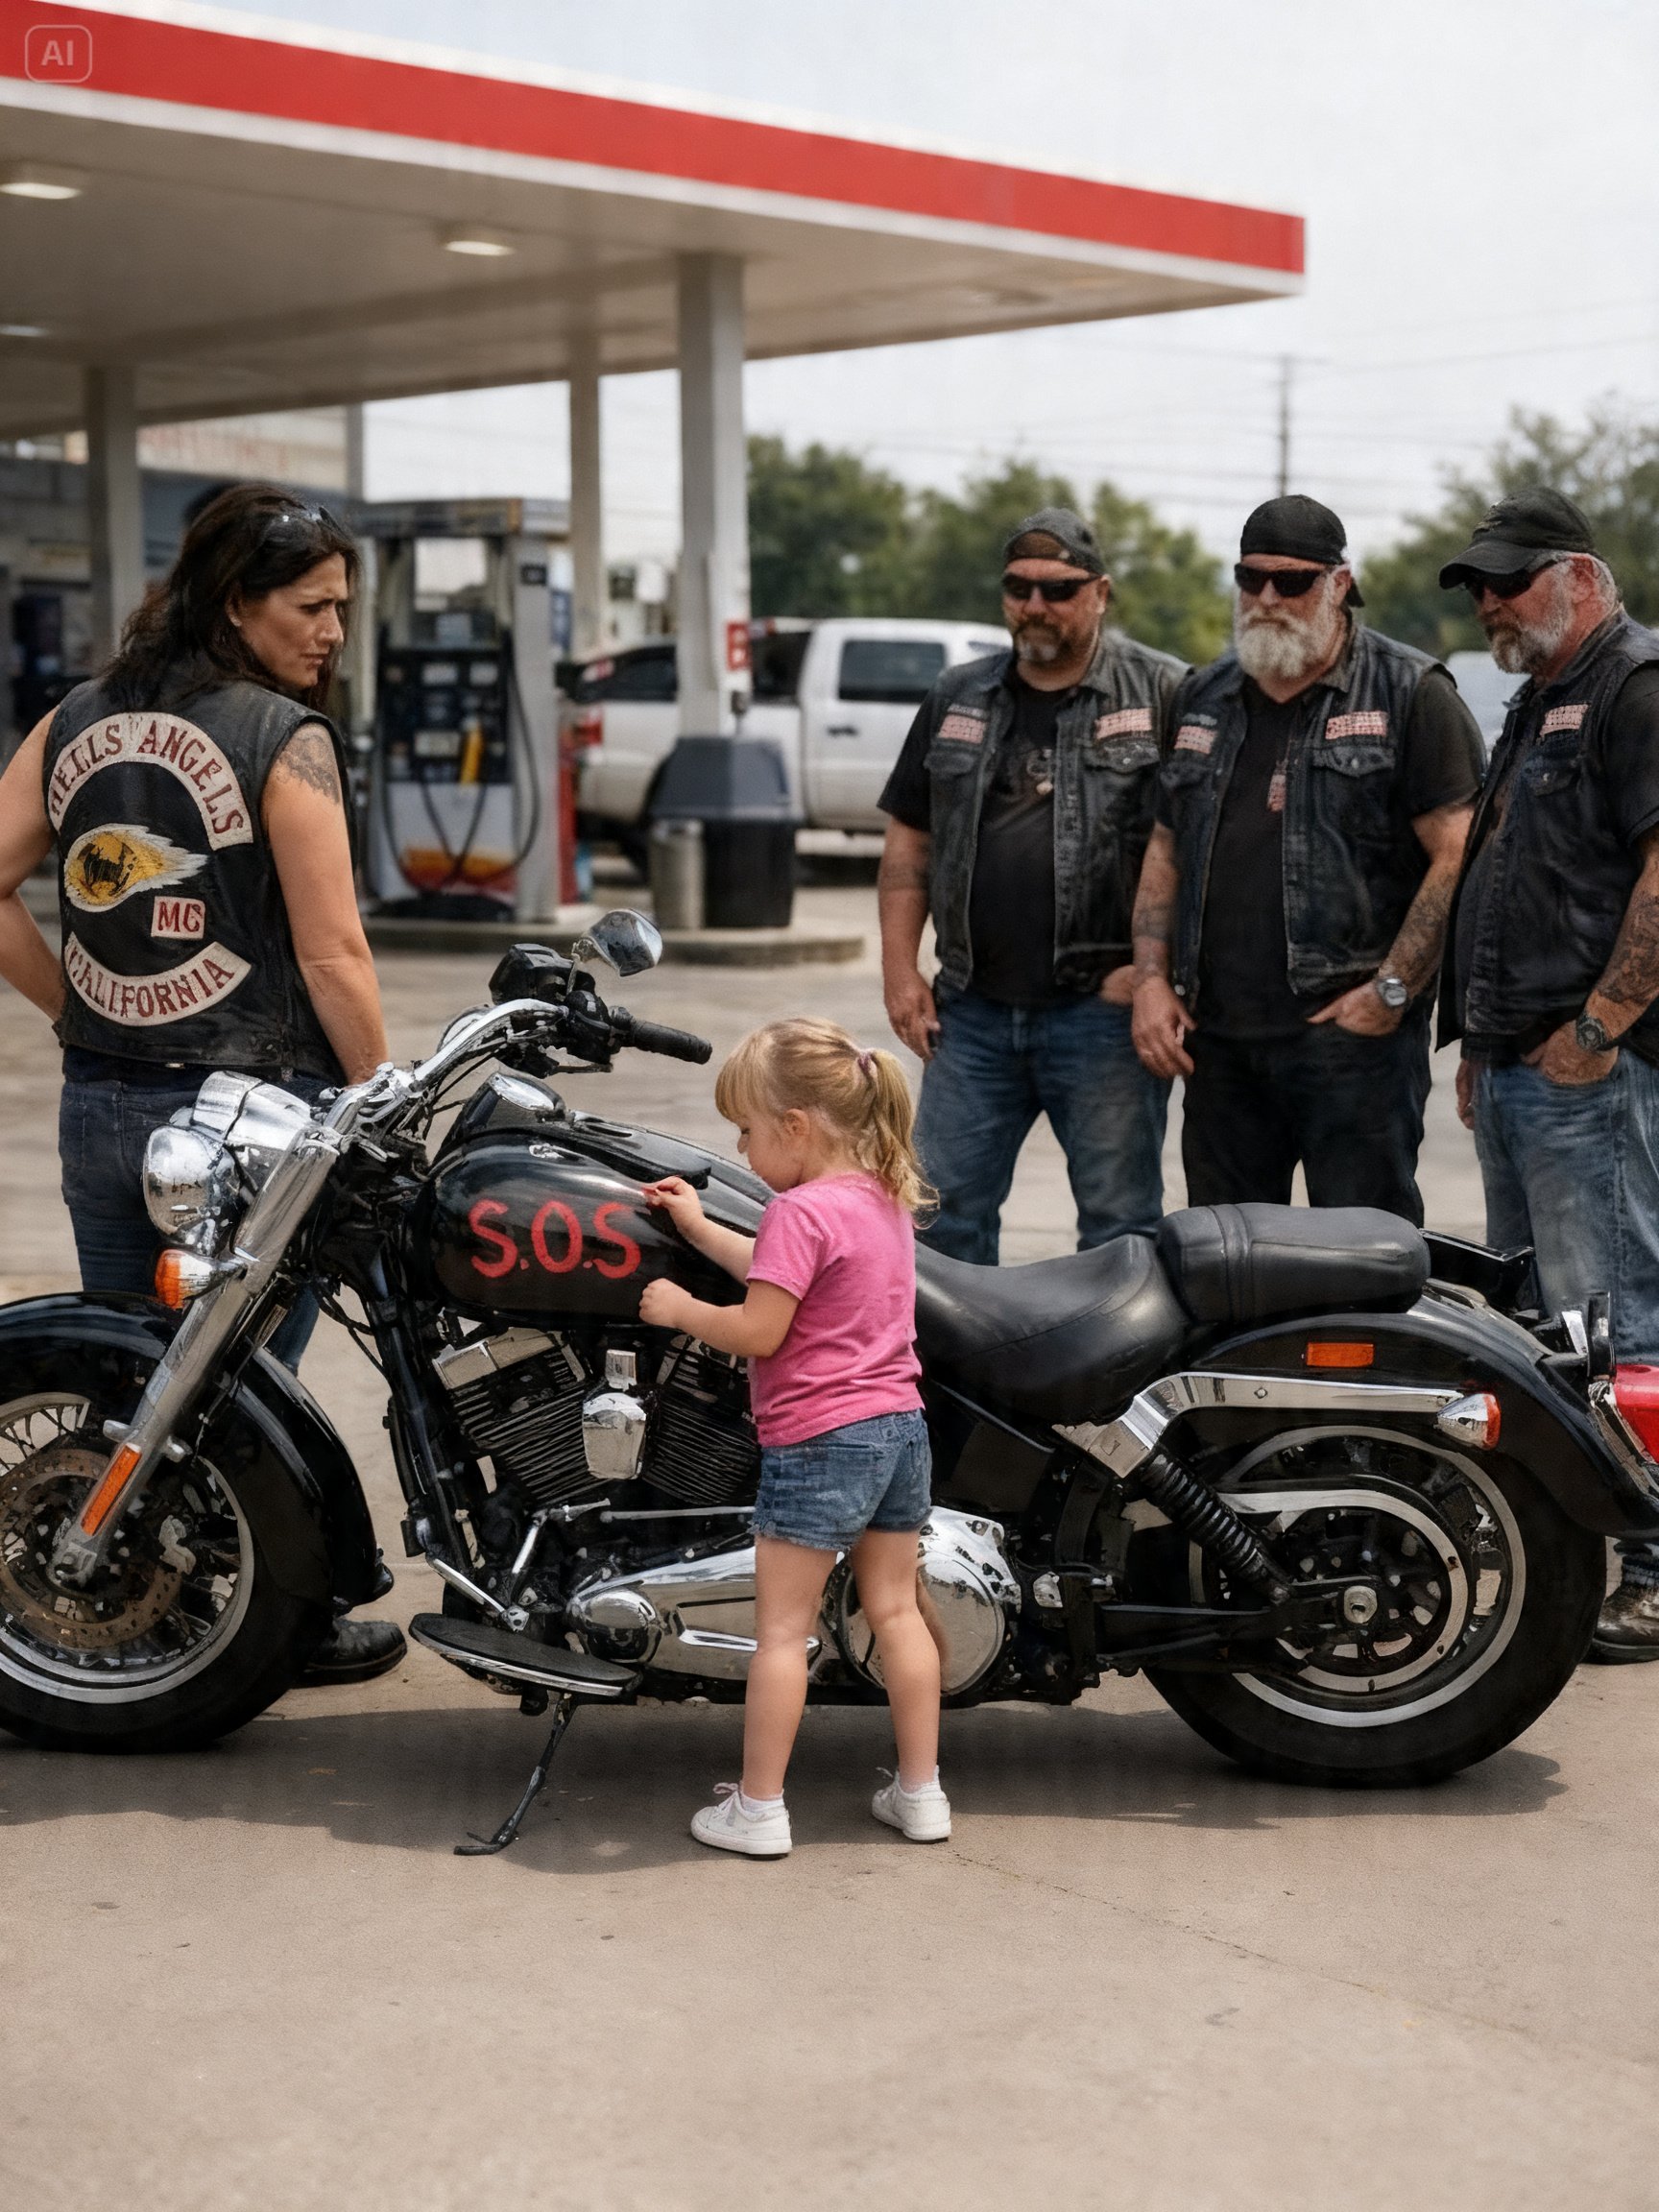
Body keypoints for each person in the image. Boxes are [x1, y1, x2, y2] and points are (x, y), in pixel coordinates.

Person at [0, 481, 404, 1686]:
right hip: (249, 1122)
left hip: (103, 1104)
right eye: (310, 606)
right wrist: (384, 1100)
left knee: (130, 1370)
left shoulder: (77, 716)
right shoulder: (283, 738)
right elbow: (333, 954)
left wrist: (71, 1000)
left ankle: (139, 1608)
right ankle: (280, 1617)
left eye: (342, 609)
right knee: (238, 1394)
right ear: (236, 601)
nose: (332, 632)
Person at [1436, 489, 1659, 1660]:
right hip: (1520, 1071)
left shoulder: (1634, 687)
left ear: (1578, 574)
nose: (1488, 602)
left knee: (1624, 1322)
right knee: (1543, 1329)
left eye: (1509, 581)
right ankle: (1565, 1546)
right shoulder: (1539, 698)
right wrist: (1480, 1044)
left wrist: (1601, 1025)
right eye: (1479, 586)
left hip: (1593, 1073)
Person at [638, 1019, 948, 1858]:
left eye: (745, 1130)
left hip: (822, 1440)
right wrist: (701, 1228)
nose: (739, 1149)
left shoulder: (798, 1210)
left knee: (781, 1633)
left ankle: (759, 1807)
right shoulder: (881, 1196)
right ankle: (922, 1794)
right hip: (900, 1431)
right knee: (895, 1611)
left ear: (796, 1126)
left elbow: (761, 1328)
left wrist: (681, 1309)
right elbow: (787, 1274)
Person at [1132, 494, 1483, 1221]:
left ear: (1340, 583)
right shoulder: (1201, 696)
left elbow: (1457, 857)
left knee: (1358, 1266)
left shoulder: (1410, 693)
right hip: (1219, 1046)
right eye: (1250, 578)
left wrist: (1392, 991)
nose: (1267, 598)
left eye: (1291, 582)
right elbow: (1165, 848)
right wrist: (1149, 982)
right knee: (1227, 1268)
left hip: (1351, 1049)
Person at [878, 506, 1182, 1263]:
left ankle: (1107, 1382)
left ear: (1101, 592)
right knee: (937, 1222)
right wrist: (897, 971)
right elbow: (910, 836)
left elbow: (1197, 851)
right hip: (971, 1013)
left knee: (1119, 1232)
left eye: (1059, 589)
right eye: (1019, 588)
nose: (1036, 607)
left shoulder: (1163, 693)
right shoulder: (957, 694)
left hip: (1103, 1018)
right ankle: (952, 1383)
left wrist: (1155, 975)